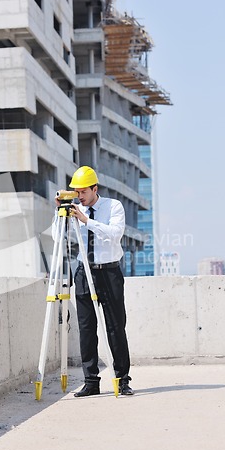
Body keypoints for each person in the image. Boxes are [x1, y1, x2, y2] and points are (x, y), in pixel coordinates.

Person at [55, 166, 134, 397]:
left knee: (115, 327)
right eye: (76, 192)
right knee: (87, 329)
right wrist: (59, 213)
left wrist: (85, 221)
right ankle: (91, 382)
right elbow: (56, 236)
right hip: (83, 271)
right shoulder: (74, 209)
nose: (79, 197)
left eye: (83, 192)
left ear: (94, 189)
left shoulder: (113, 206)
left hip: (108, 273)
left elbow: (115, 234)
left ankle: (122, 380)